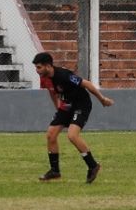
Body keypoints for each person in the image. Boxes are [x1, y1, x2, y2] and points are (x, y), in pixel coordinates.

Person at [33, 52, 114, 183]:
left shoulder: (64, 75)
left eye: (39, 67)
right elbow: (52, 92)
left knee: (72, 135)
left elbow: (86, 84)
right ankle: (55, 171)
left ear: (48, 66)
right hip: (66, 106)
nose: (37, 71)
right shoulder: (45, 78)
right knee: (50, 135)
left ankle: (93, 166)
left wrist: (102, 99)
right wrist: (58, 108)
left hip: (81, 104)